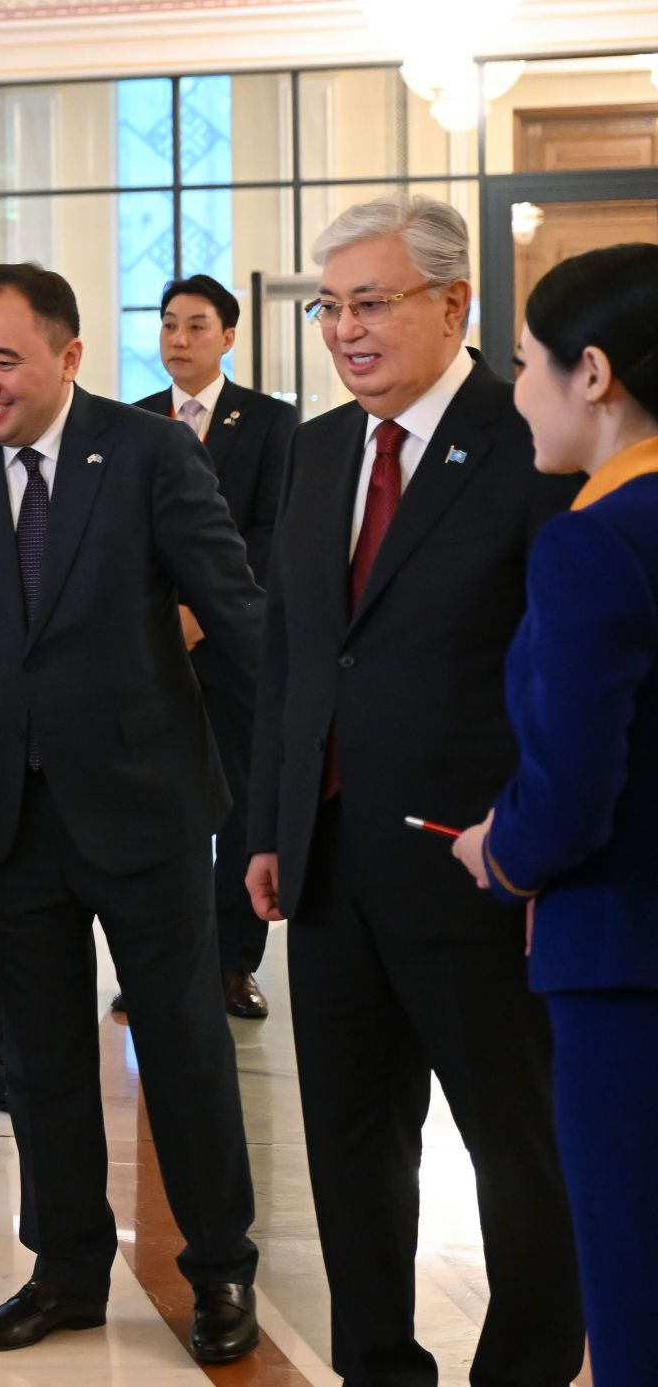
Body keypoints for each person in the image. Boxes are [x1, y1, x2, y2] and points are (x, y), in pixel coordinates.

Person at [0, 262, 263, 1362]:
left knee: (185, 1048)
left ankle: (220, 1268)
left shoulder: (148, 452)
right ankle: (64, 1267)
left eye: (5, 360)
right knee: (41, 1057)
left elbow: (232, 607)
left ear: (69, 356)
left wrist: (303, 751)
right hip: (9, 811)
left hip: (142, 805)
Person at [246, 196, 584, 1386]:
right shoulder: (319, 444)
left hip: (471, 863)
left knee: (518, 1149)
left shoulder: (530, 442)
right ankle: (378, 1366)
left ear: (453, 304)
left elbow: (563, 665)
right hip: (330, 864)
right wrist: (273, 821)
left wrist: (527, 842)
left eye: (370, 301)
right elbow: (292, 651)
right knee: (348, 1148)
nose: (344, 329)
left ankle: (527, 1368)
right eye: (329, 306)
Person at [449, 242, 658, 1387]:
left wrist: (505, 852)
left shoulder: (596, 537)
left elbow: (573, 788)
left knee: (632, 1283)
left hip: (625, 962)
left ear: (593, 372)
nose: (514, 386)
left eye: (523, 360)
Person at [117, 274, 296, 1022]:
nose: (178, 340)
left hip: (232, 646)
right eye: (167, 326)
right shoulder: (128, 424)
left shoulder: (270, 422)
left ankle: (231, 964)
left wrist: (202, 609)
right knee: (161, 808)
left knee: (244, 802)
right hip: (148, 648)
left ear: (228, 336)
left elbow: (270, 531)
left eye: (195, 326)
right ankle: (160, 966)